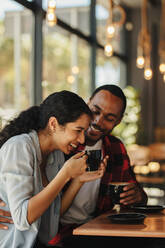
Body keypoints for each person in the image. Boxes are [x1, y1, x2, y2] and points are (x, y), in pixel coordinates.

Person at [0, 90, 108, 248]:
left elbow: (54, 215)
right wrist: (65, 174)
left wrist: (78, 180)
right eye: (78, 130)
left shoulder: (55, 154)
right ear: (53, 124)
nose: (82, 139)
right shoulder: (20, 146)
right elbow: (23, 219)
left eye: (84, 132)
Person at [47, 84, 148, 247]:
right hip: (58, 234)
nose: (98, 121)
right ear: (87, 104)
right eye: (95, 111)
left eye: (109, 118)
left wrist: (138, 196)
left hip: (95, 229)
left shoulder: (115, 148)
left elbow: (136, 195)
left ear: (119, 121)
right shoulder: (61, 142)